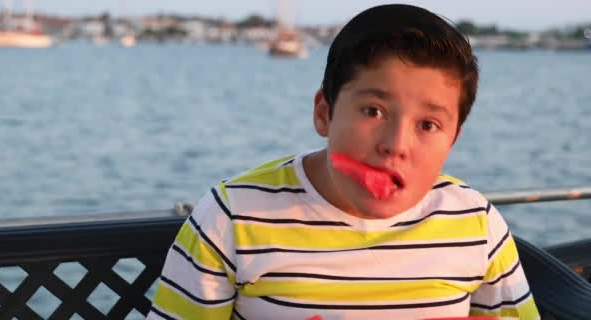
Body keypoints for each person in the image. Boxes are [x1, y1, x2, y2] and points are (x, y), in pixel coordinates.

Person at [147, 4, 540, 320]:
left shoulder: (475, 224)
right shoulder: (233, 218)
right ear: (324, 112)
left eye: (428, 124)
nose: (396, 145)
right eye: (373, 111)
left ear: (452, 140)